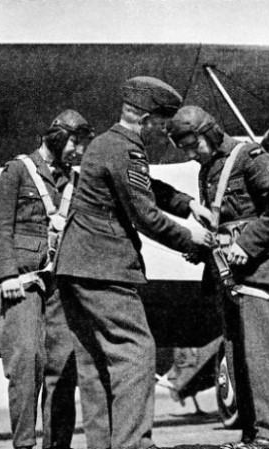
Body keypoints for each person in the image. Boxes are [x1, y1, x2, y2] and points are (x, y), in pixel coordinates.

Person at [55, 77, 213, 449]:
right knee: (137, 356)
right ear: (147, 119)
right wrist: (191, 238)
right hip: (105, 269)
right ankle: (134, 445)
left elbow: (145, 187)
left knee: (95, 365)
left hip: (76, 268)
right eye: (162, 123)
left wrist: (187, 203)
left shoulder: (106, 144)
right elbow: (144, 213)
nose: (163, 131)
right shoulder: (125, 149)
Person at [168, 106, 269, 449]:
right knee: (237, 356)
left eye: (194, 145)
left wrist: (249, 243)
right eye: (185, 149)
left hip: (257, 273)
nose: (192, 154)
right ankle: (253, 434)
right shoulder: (208, 169)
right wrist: (200, 250)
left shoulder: (249, 156)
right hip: (227, 276)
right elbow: (223, 222)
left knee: (260, 357)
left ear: (209, 132)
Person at [0, 109, 94, 449]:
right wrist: (5, 275)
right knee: (26, 363)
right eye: (75, 144)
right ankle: (23, 445)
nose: (79, 152)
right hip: (22, 283)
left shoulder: (75, 182)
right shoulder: (17, 171)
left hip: (61, 287)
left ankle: (57, 445)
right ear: (58, 138)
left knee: (63, 369)